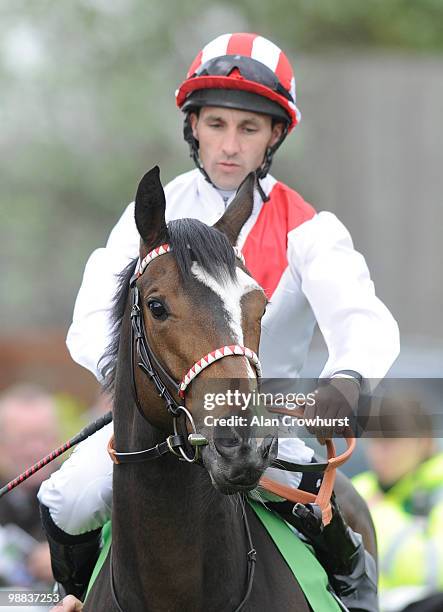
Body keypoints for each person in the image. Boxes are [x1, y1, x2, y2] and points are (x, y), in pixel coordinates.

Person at [38, 32, 399, 606]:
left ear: (274, 135)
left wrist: (348, 377)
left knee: (328, 506)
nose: (230, 146)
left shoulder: (308, 229)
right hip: (158, 420)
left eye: (249, 129)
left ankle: (355, 596)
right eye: (217, 125)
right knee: (69, 495)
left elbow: (364, 319)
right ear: (193, 127)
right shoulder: (145, 223)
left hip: (267, 418)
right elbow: (89, 325)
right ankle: (70, 595)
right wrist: (152, 399)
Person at [353, 394, 443, 612]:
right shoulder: (357, 490)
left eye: (390, 442)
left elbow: (435, 573)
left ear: (424, 442)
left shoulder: (437, 489)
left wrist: (374, 517)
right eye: (374, 442)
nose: (378, 453)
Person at [0, 384, 60, 588]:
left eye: (44, 437)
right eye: (23, 439)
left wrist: (66, 559)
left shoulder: (79, 495)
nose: (35, 450)